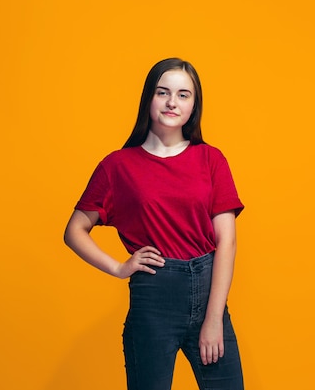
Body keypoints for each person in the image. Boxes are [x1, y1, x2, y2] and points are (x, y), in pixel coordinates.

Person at [64, 58, 245, 390]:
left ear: (194, 104)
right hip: (153, 301)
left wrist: (214, 319)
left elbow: (227, 242)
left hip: (209, 295)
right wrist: (119, 267)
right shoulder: (118, 166)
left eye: (183, 95)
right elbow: (74, 230)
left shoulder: (211, 159)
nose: (172, 102)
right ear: (149, 98)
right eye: (163, 92)